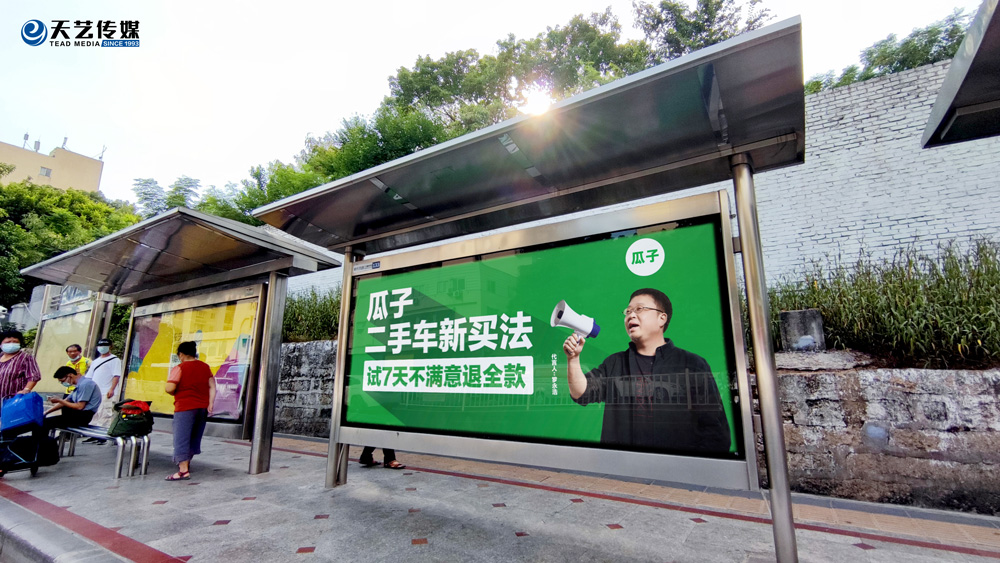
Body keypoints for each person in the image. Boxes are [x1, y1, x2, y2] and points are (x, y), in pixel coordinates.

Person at [562, 288, 731, 454]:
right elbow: (581, 393)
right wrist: (573, 358)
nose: (631, 315)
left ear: (661, 318)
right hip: (621, 467)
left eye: (639, 309)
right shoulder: (614, 363)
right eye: (628, 311)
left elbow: (716, 434)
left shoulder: (693, 365)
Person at [164, 341, 216, 481]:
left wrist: (173, 392)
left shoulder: (180, 368)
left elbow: (169, 387)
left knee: (181, 437)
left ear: (181, 354)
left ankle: (183, 471)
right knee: (194, 436)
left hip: (184, 407)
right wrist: (210, 403)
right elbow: (212, 385)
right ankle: (187, 464)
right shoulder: (205, 367)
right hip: (202, 407)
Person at [42, 366, 102, 430]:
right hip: (74, 415)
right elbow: (66, 400)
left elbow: (80, 406)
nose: (63, 383)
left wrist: (59, 400)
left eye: (63, 381)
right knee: (44, 422)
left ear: (70, 375)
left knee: (46, 423)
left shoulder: (85, 384)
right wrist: (46, 412)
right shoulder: (78, 386)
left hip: (83, 416)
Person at [83, 338, 122, 429]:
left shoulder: (115, 360)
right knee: (94, 414)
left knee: (105, 415)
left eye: (105, 346)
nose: (102, 347)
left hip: (107, 392)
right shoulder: (95, 361)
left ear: (110, 347)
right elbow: (89, 377)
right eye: (100, 346)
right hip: (95, 392)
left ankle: (103, 433)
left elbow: (116, 375)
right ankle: (92, 433)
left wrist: (112, 389)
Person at [0, 330, 41, 407]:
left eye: (15, 342)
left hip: (14, 400)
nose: (11, 344)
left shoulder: (25, 357)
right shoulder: (0, 356)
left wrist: (26, 389)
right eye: (8, 342)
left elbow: (34, 376)